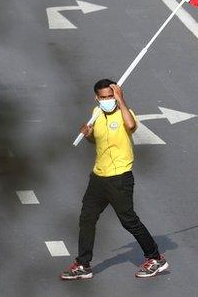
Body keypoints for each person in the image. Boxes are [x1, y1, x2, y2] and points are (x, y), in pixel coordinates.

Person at [60, 80, 168, 281]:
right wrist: (89, 135)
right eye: (103, 97)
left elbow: (131, 125)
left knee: (128, 221)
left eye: (110, 96)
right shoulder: (96, 113)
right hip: (98, 177)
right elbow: (97, 140)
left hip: (119, 178)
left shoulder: (125, 113)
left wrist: (121, 99)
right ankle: (83, 264)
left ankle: (155, 258)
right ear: (97, 98)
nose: (107, 100)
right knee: (87, 217)